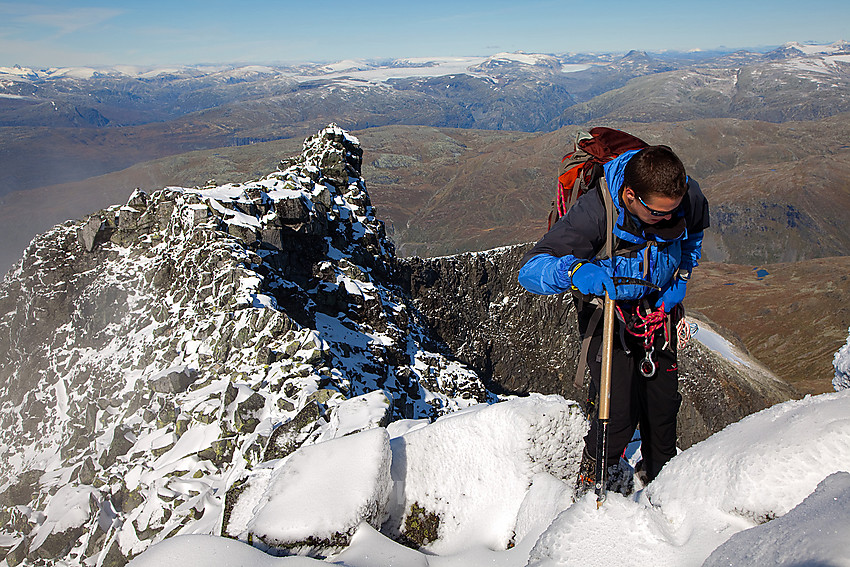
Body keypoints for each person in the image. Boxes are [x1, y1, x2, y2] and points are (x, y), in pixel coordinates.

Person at [517, 144, 709, 493]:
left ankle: (661, 487)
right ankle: (592, 486)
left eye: (672, 212)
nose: (667, 219)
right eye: (656, 213)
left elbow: (692, 235)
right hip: (608, 311)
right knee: (617, 414)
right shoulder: (595, 212)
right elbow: (530, 271)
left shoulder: (685, 194)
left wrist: (680, 278)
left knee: (662, 410)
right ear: (630, 195)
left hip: (657, 308)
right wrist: (574, 270)